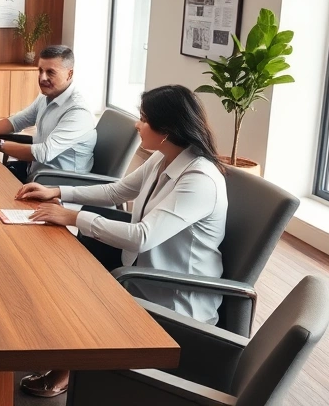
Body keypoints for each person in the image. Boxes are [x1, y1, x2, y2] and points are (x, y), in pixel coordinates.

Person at [14, 84, 228, 398]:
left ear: (166, 130)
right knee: (66, 266)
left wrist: (73, 217)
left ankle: (68, 368)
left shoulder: (199, 180)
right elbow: (117, 191)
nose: (136, 125)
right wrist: (59, 192)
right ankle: (62, 354)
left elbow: (142, 237)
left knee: (80, 278)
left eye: (143, 119)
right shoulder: (164, 158)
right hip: (142, 270)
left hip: (172, 294)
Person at [0, 45, 96, 183]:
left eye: (50, 72)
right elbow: (16, 122)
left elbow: (44, 153)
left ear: (69, 74)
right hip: (36, 175)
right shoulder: (46, 97)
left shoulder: (77, 112)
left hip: (57, 185)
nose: (42, 78)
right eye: (40, 71)